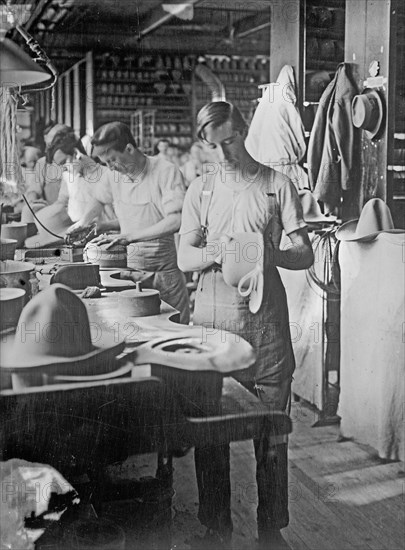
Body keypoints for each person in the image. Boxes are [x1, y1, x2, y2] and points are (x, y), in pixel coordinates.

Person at [177, 101, 314, 548]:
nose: (224, 154)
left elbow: (305, 252)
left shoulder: (277, 185)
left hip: (267, 327)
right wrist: (219, 252)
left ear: (245, 130)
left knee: (272, 431)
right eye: (212, 146)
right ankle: (217, 527)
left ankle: (271, 529)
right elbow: (184, 258)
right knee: (210, 433)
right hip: (214, 323)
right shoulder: (200, 190)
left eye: (230, 140)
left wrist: (269, 255)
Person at [72, 121, 190, 324]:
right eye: (104, 162)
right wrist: (84, 222)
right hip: (129, 274)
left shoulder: (165, 171)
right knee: (136, 330)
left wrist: (129, 237)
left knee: (171, 331)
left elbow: (176, 220)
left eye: (112, 160)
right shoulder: (113, 175)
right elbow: (99, 199)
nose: (109, 167)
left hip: (164, 273)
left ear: (129, 148)